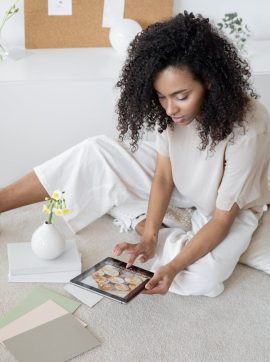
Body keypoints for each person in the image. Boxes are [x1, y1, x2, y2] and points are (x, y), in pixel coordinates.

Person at [1, 12, 270, 297]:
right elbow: (164, 177)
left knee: (202, 279)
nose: (170, 109)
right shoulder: (172, 114)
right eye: (161, 96)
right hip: (182, 180)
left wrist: (173, 266)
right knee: (95, 153)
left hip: (225, 208)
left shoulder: (249, 128)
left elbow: (220, 220)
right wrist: (149, 238)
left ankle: (132, 213)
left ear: (210, 82)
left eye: (181, 96)